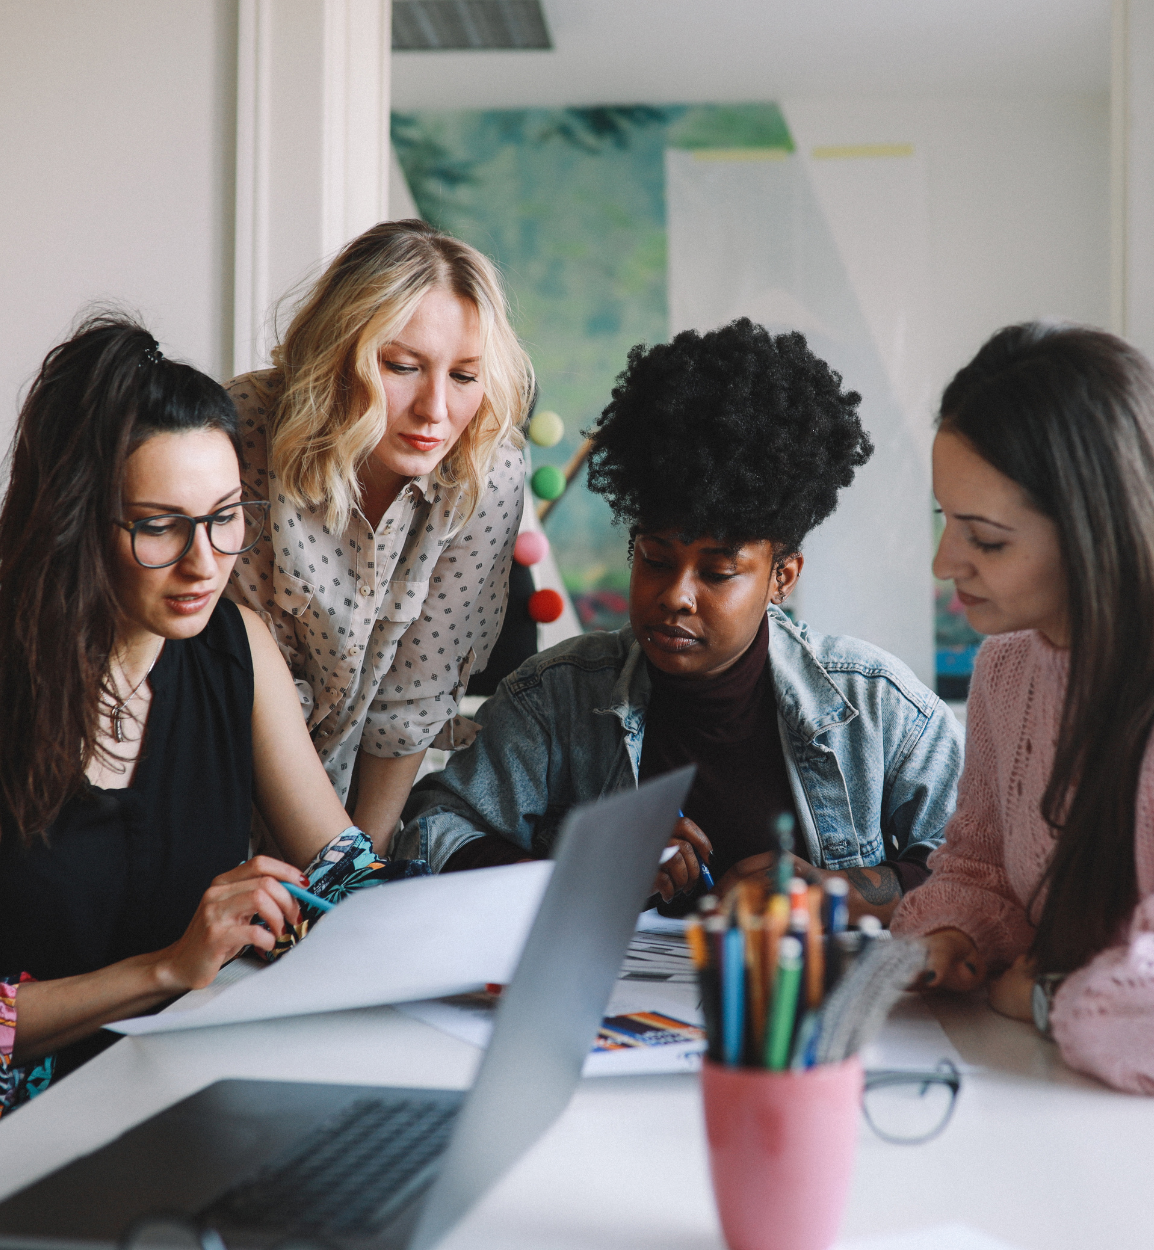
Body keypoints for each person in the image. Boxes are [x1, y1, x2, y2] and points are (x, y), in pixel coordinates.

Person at [396, 319, 964, 919]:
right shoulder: (555, 698)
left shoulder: (874, 705)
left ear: (783, 576)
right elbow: (431, 834)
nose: (676, 596)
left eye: (718, 573)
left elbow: (980, 865)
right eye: (655, 559)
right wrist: (588, 871)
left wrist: (833, 895)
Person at [0, 318, 380, 1115]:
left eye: (224, 516)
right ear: (76, 523)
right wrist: (169, 967)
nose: (205, 562)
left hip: (178, 1091)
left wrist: (492, 919)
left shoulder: (233, 648)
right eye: (159, 526)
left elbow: (344, 870)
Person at [893, 322, 1154, 1136]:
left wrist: (1045, 996)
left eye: (986, 538)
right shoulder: (1010, 667)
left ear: (1097, 533)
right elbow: (981, 871)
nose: (946, 561)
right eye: (946, 520)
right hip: (1059, 1108)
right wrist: (953, 933)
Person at [225, 219, 534, 854]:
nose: (436, 410)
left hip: (343, 812)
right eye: (402, 366)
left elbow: (411, 701)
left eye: (465, 376)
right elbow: (235, 671)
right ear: (336, 353)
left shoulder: (486, 466)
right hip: (207, 785)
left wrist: (360, 874)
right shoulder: (238, 433)